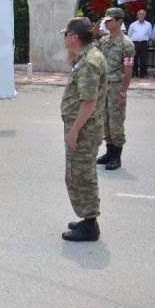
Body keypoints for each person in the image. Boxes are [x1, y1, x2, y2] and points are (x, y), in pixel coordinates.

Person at [59, 17, 108, 242]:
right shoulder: (86, 55)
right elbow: (70, 62)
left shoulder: (89, 62)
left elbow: (88, 101)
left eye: (66, 34)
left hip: (84, 128)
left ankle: (90, 226)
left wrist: (74, 130)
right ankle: (88, 219)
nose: (64, 37)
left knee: (81, 175)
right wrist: (73, 47)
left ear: (75, 36)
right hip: (83, 125)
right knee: (78, 173)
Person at [94, 7, 134, 171]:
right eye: (106, 20)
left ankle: (117, 156)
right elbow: (91, 47)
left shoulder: (127, 44)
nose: (107, 23)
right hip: (103, 89)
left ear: (120, 21)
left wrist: (123, 93)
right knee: (104, 120)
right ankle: (109, 152)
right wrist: (95, 31)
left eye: (110, 20)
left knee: (116, 122)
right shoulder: (104, 41)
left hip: (117, 89)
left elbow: (128, 71)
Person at [127, 10, 151, 78]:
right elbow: (129, 34)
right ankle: (134, 73)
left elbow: (149, 34)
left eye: (143, 14)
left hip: (144, 43)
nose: (141, 15)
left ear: (145, 15)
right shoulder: (133, 24)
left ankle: (142, 74)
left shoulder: (148, 24)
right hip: (134, 43)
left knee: (143, 59)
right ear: (137, 15)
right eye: (140, 14)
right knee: (134, 59)